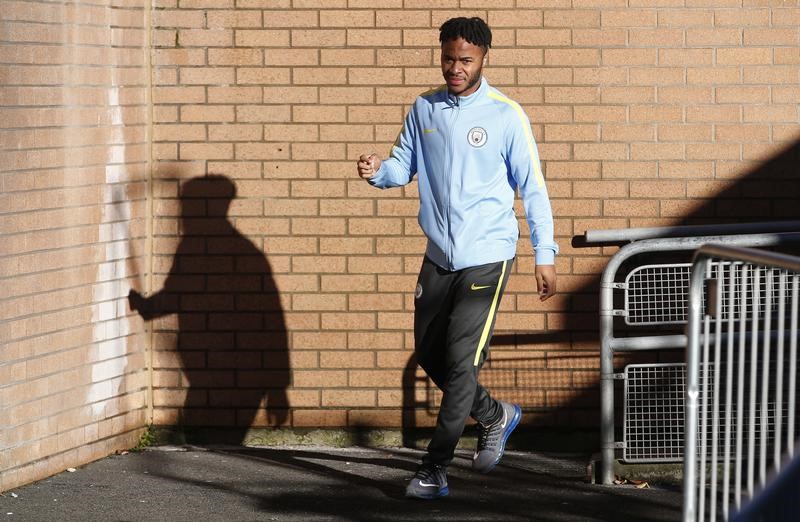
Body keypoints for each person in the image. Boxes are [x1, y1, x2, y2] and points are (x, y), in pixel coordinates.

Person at [356, 17, 558, 499]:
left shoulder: (506, 115)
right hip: (439, 255)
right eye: (448, 58)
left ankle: (435, 467)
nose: (455, 67)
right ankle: (495, 414)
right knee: (429, 353)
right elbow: (403, 165)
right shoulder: (424, 108)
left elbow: (533, 189)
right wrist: (378, 171)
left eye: (465, 60)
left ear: (484, 58)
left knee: (461, 360)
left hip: (488, 254)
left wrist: (543, 254)